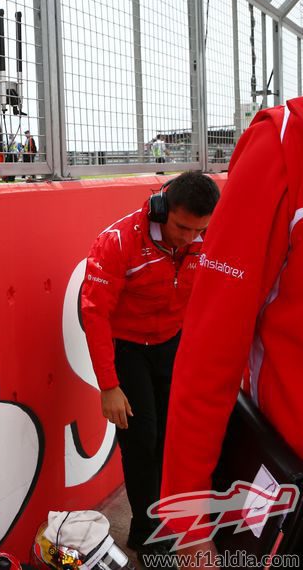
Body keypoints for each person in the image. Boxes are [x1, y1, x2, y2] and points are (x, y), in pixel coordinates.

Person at [162, 99, 303, 568]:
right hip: (289, 497)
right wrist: (188, 523)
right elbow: (209, 350)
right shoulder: (283, 143)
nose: (188, 236)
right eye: (182, 226)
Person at [79, 171, 220, 563]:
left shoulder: (208, 238)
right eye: (181, 227)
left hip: (172, 342)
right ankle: (147, 534)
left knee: (173, 437)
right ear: (161, 208)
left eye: (199, 230)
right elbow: (95, 315)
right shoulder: (118, 241)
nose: (189, 238)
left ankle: (170, 518)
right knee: (142, 442)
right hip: (128, 349)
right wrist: (109, 386)